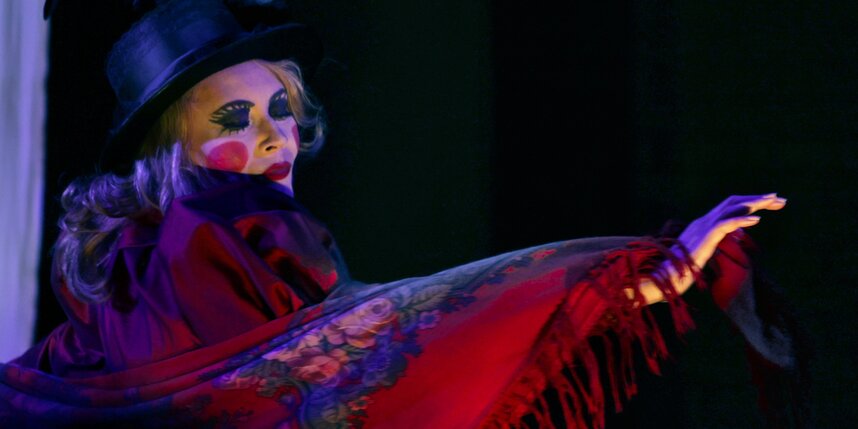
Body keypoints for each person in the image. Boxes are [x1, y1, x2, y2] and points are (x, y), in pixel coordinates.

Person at [1, 1, 804, 428]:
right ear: (170, 153)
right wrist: (649, 272)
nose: (274, 138)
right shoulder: (225, 235)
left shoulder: (99, 312)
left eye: (281, 110)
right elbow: (411, 340)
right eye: (233, 120)